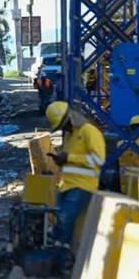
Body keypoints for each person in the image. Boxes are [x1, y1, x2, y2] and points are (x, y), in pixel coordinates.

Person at [45, 101, 105, 258]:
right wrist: (61, 160)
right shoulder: (70, 136)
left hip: (83, 185)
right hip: (66, 185)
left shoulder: (89, 132)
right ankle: (60, 249)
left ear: (71, 118)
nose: (64, 129)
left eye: (64, 125)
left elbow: (98, 160)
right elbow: (71, 161)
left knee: (66, 217)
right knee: (59, 218)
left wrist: (69, 157)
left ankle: (63, 253)